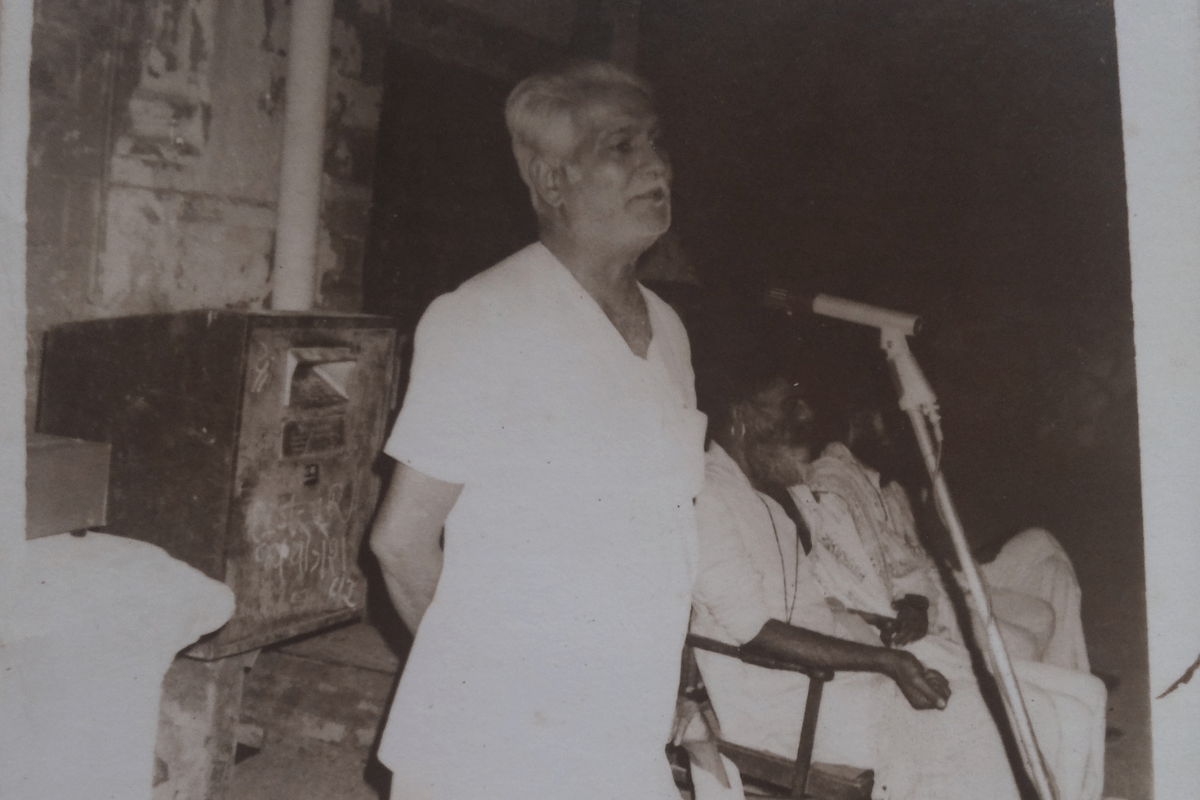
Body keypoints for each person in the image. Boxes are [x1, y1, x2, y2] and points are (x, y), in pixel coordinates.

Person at [369, 61, 708, 800]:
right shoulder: (484, 317)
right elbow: (401, 543)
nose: (657, 165)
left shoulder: (670, 331)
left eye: (657, 143)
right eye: (622, 146)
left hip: (627, 730)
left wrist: (677, 687)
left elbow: (663, 540)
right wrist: (502, 690)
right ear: (553, 181)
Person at [683, 357, 1107, 800]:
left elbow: (808, 607)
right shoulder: (708, 497)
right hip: (790, 706)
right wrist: (887, 662)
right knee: (1015, 725)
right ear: (742, 419)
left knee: (1064, 714)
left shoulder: (764, 500)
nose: (806, 418)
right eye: (789, 406)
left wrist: (878, 641)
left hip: (839, 683)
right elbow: (756, 631)